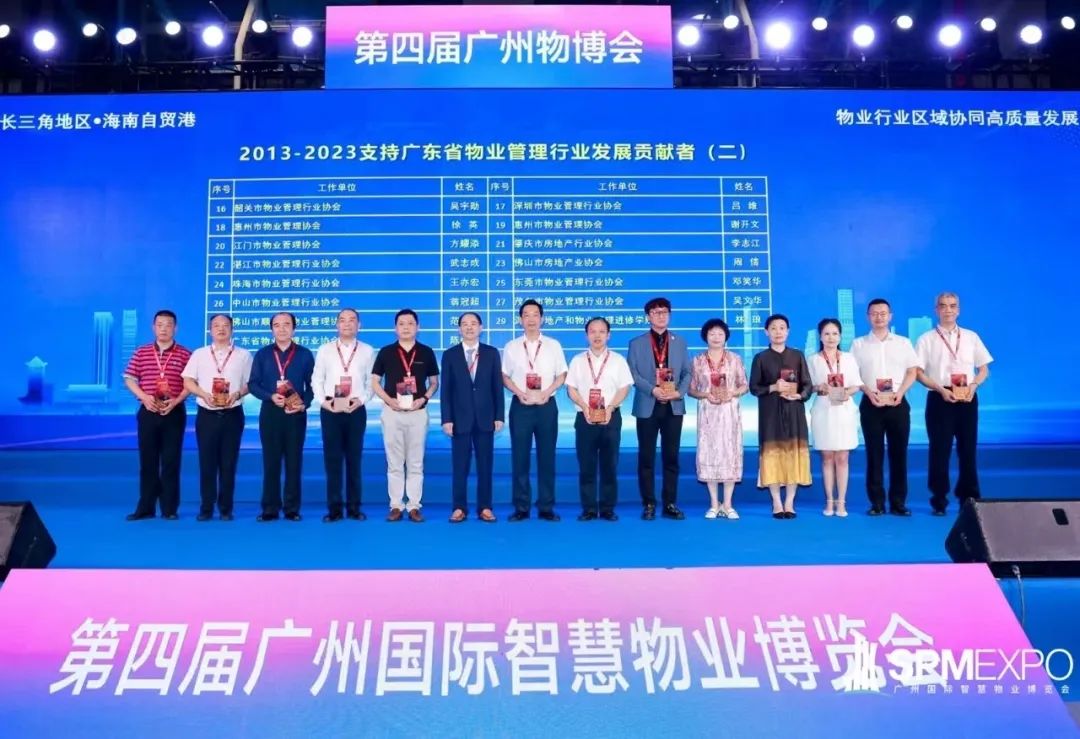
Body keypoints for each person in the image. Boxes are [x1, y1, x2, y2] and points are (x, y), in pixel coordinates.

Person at [915, 292, 994, 516]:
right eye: (943, 306)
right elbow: (918, 373)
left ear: (958, 310)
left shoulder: (971, 337)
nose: (948, 310)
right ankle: (939, 500)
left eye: (952, 306)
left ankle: (969, 498)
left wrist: (974, 386)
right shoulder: (926, 339)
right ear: (936, 310)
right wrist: (941, 390)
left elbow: (984, 369)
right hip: (939, 397)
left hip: (967, 396)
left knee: (968, 450)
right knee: (939, 451)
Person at [851, 299, 920, 517]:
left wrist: (901, 392)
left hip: (898, 403)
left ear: (890, 316)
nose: (879, 317)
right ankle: (877, 503)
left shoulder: (903, 343)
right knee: (874, 454)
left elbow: (912, 371)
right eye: (874, 313)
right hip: (871, 404)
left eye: (883, 313)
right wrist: (868, 392)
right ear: (868, 317)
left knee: (899, 454)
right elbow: (853, 375)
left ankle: (898, 502)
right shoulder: (858, 344)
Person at [122, 310, 192, 521]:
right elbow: (129, 378)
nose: (163, 329)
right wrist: (144, 397)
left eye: (168, 325)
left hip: (174, 412)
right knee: (148, 461)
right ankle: (145, 507)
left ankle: (169, 508)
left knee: (171, 461)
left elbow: (191, 383)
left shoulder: (185, 354)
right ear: (153, 328)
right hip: (148, 411)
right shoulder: (141, 352)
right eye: (159, 324)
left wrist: (176, 400)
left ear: (175, 328)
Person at [181, 313, 252, 522]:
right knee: (207, 462)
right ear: (210, 330)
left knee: (229, 463)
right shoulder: (199, 354)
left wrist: (237, 394)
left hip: (233, 414)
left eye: (225, 325)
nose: (221, 329)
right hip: (207, 415)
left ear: (232, 329)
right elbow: (188, 381)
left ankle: (226, 508)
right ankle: (206, 507)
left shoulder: (244, 355)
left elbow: (251, 383)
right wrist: (203, 394)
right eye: (216, 325)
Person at [502, 299, 567, 522]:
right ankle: (521, 506)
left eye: (535, 314)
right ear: (520, 320)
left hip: (546, 406)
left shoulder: (553, 345)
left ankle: (546, 506)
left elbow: (562, 374)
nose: (531, 319)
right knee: (520, 458)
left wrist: (547, 392)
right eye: (526, 315)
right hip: (521, 406)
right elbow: (504, 376)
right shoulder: (511, 346)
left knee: (547, 457)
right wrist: (519, 393)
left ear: (542, 318)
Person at [371, 309, 439, 523]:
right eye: (401, 323)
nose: (406, 327)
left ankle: (414, 506)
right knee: (394, 462)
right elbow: (375, 382)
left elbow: (434, 382)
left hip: (418, 413)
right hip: (392, 413)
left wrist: (424, 398)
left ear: (418, 327)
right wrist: (388, 400)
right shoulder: (386, 352)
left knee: (416, 461)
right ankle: (396, 505)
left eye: (410, 323)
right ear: (395, 328)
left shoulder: (426, 352)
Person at [628, 297, 692, 521]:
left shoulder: (680, 342)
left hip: (673, 406)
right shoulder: (636, 343)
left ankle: (670, 503)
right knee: (646, 457)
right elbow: (633, 373)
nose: (661, 316)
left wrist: (679, 392)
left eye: (664, 312)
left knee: (671, 457)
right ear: (648, 317)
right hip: (648, 405)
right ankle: (648, 503)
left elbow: (687, 373)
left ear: (670, 315)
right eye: (656, 312)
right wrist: (653, 390)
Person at [565, 317, 633, 522]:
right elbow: (571, 389)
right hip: (584, 417)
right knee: (586, 466)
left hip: (610, 417)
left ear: (608, 335)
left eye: (602, 331)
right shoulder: (578, 360)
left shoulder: (618, 360)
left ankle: (607, 508)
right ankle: (588, 508)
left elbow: (624, 388)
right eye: (593, 331)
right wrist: (585, 406)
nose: (597, 335)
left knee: (609, 465)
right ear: (586, 335)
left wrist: (610, 408)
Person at [249, 312, 315, 522]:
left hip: (296, 415)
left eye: (287, 324)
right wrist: (270, 396)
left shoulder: (305, 354)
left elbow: (313, 386)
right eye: (277, 325)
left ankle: (292, 509)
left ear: (294, 328)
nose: (282, 328)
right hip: (271, 414)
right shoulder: (262, 354)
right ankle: (269, 508)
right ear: (271, 329)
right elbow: (253, 384)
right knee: (271, 463)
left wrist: (304, 404)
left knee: (294, 462)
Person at [440, 312, 505, 523]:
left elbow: (497, 387)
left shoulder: (491, 353)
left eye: (473, 323)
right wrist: (446, 419)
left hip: (486, 418)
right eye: (465, 324)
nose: (469, 327)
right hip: (459, 419)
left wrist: (499, 415)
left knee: (485, 466)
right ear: (459, 329)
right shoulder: (450, 355)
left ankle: (485, 507)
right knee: (460, 466)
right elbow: (446, 390)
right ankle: (459, 507)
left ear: (481, 327)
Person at [313, 308, 376, 523]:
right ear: (336, 325)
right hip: (331, 410)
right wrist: (325, 403)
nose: (347, 324)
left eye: (352, 320)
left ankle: (354, 508)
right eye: (342, 320)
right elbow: (317, 380)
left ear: (359, 325)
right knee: (332, 460)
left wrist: (362, 400)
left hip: (356, 410)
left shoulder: (367, 350)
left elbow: (371, 382)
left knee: (354, 459)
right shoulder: (325, 350)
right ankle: (334, 509)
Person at [749, 314, 812, 519]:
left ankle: (789, 502)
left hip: (794, 412)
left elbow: (807, 384)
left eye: (782, 328)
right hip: (770, 414)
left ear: (788, 331)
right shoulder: (760, 358)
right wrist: (773, 387)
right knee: (772, 455)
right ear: (766, 332)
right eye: (773, 328)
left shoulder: (797, 356)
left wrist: (800, 395)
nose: (778, 332)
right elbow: (754, 387)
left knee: (794, 455)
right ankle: (776, 502)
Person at [687, 318, 748, 519]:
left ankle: (728, 504)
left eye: (720, 333)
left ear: (726, 337)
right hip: (708, 413)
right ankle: (714, 504)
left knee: (730, 453)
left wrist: (732, 393)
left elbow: (744, 385)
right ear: (705, 336)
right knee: (709, 454)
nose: (716, 337)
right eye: (712, 333)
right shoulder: (697, 361)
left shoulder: (735, 359)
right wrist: (705, 394)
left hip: (729, 412)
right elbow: (691, 389)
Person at [807, 318, 861, 518]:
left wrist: (847, 392)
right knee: (827, 457)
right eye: (827, 334)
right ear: (820, 337)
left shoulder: (849, 358)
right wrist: (818, 387)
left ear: (840, 336)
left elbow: (857, 384)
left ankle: (842, 501)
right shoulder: (813, 359)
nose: (831, 338)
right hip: (823, 410)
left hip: (844, 410)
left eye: (835, 333)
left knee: (843, 457)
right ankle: (829, 500)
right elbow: (807, 386)